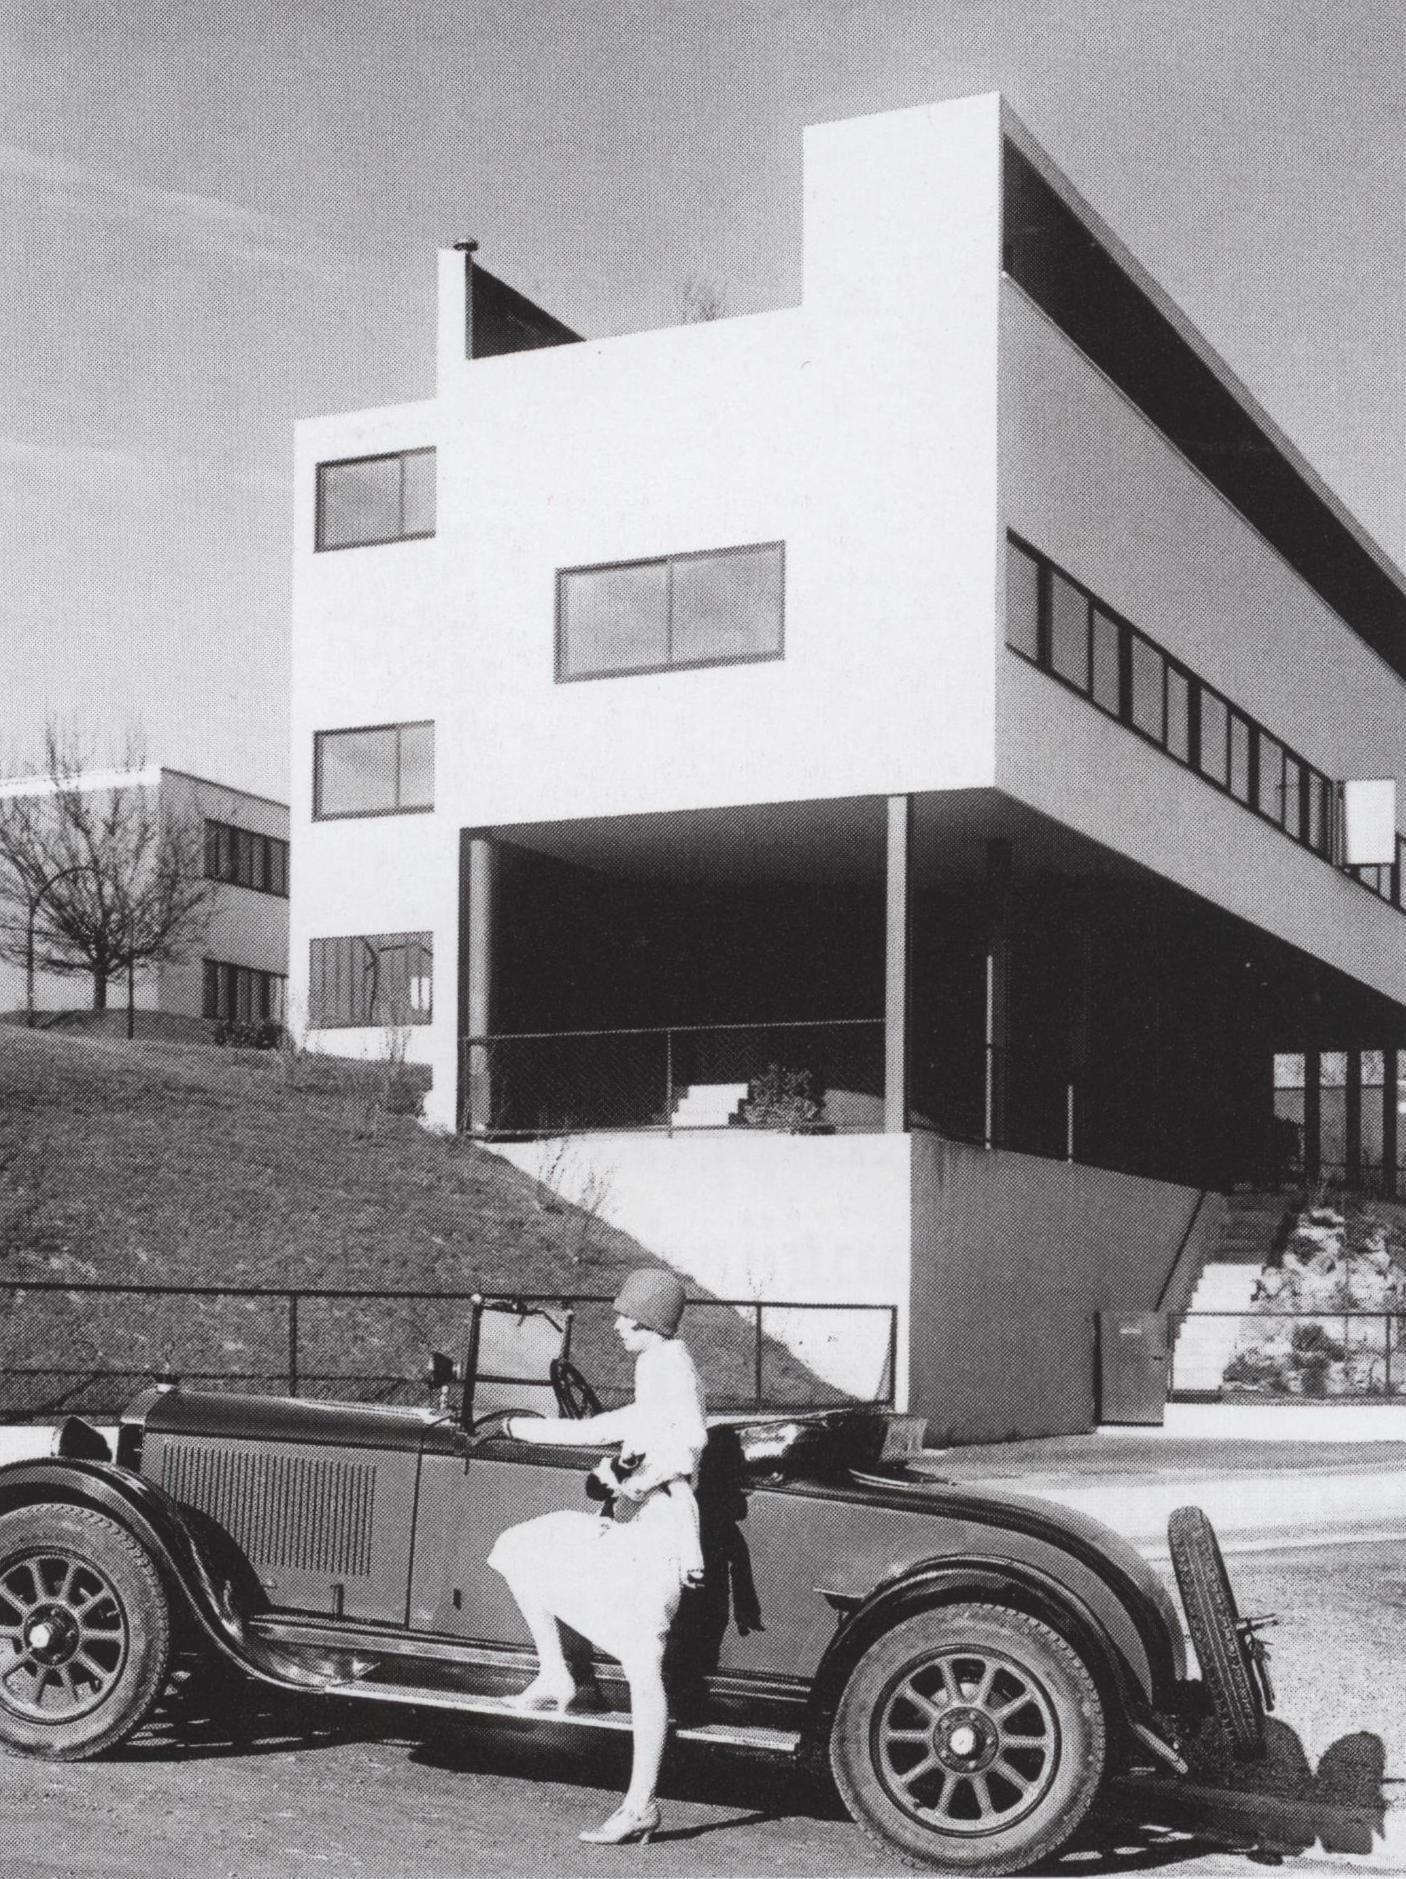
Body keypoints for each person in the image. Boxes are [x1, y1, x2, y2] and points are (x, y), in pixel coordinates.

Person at [487, 1267, 707, 1847]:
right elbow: (617, 1425)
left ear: (646, 1322)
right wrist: (521, 1428)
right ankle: (556, 1672)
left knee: (642, 1665)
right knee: (522, 1548)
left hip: (657, 1544)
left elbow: (688, 1443)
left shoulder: (669, 1364)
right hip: (645, 1532)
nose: (614, 1326)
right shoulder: (658, 1362)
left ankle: (640, 1806)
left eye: (622, 1318)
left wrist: (631, 1476)